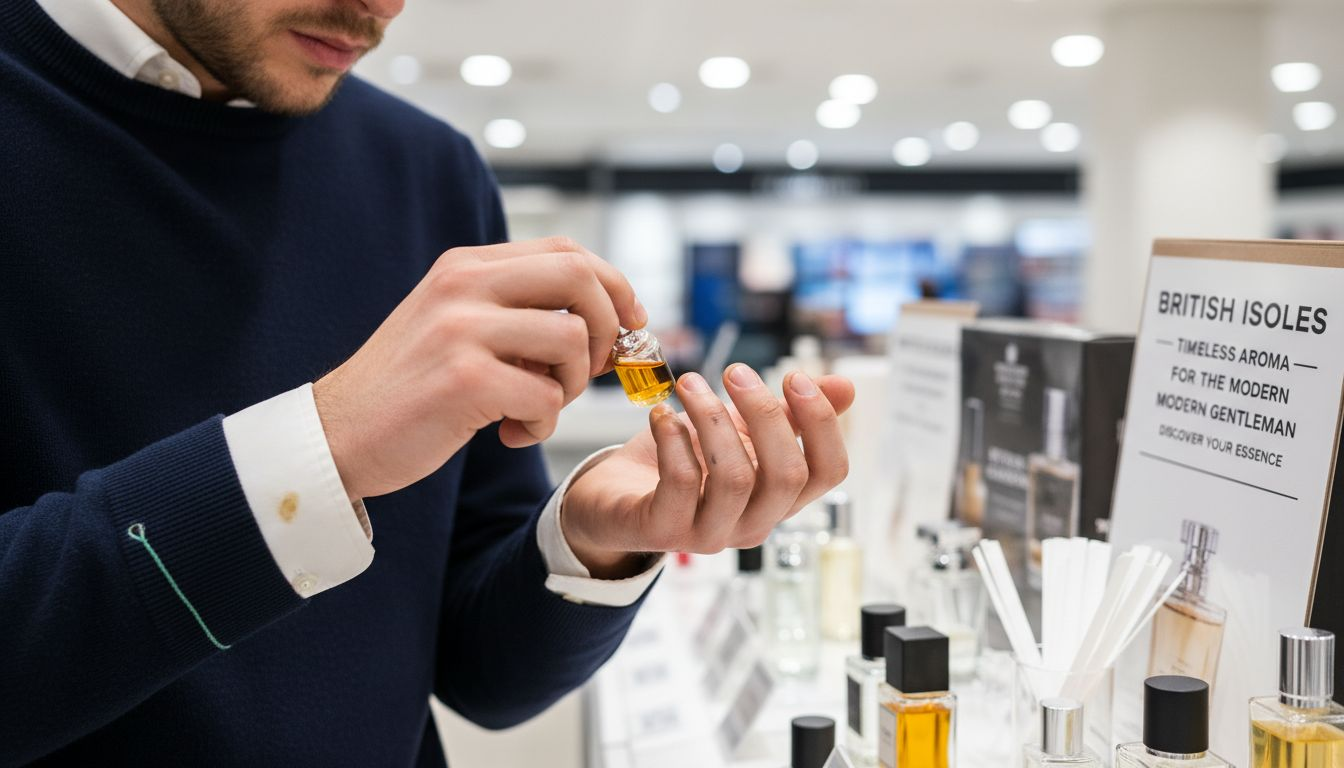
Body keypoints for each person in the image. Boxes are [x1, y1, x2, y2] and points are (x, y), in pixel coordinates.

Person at [0, 0, 855, 764]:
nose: (384, 6)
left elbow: (481, 671)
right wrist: (319, 451)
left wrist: (590, 543)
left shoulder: (428, 170)